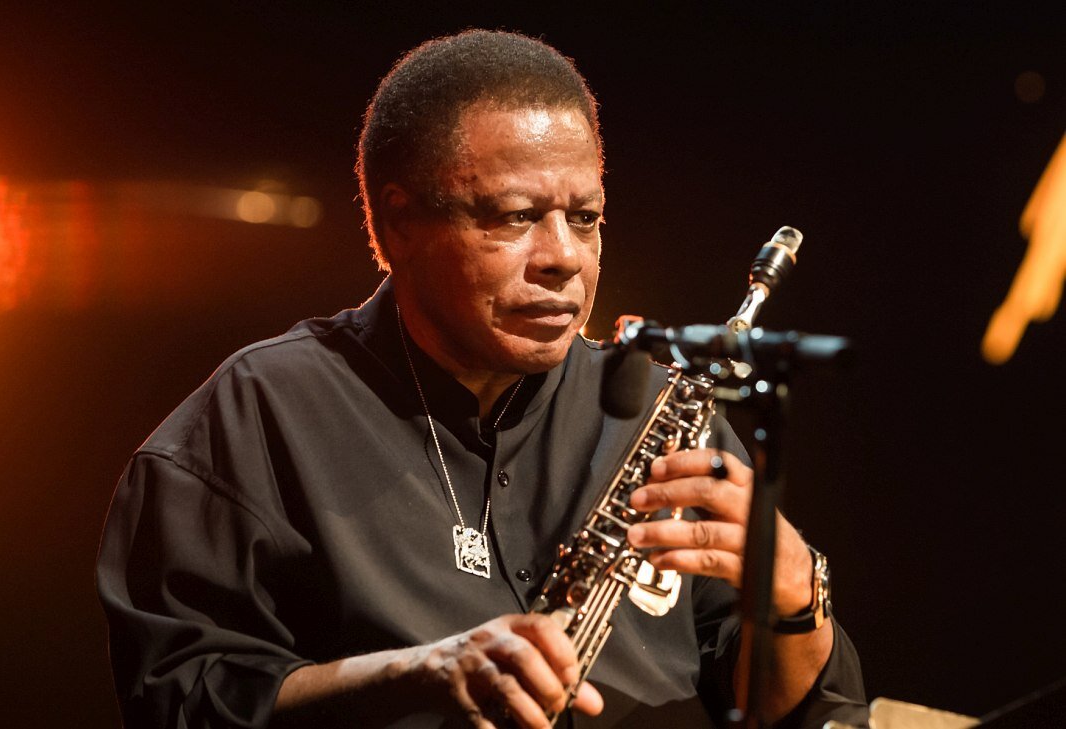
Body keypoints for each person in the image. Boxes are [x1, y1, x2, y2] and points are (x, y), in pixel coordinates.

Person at [97, 30, 868, 728]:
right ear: (399, 225)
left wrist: (796, 596)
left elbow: (804, 717)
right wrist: (416, 674)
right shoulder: (256, 417)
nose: (564, 256)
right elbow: (181, 701)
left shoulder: (662, 412)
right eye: (512, 216)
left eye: (586, 217)